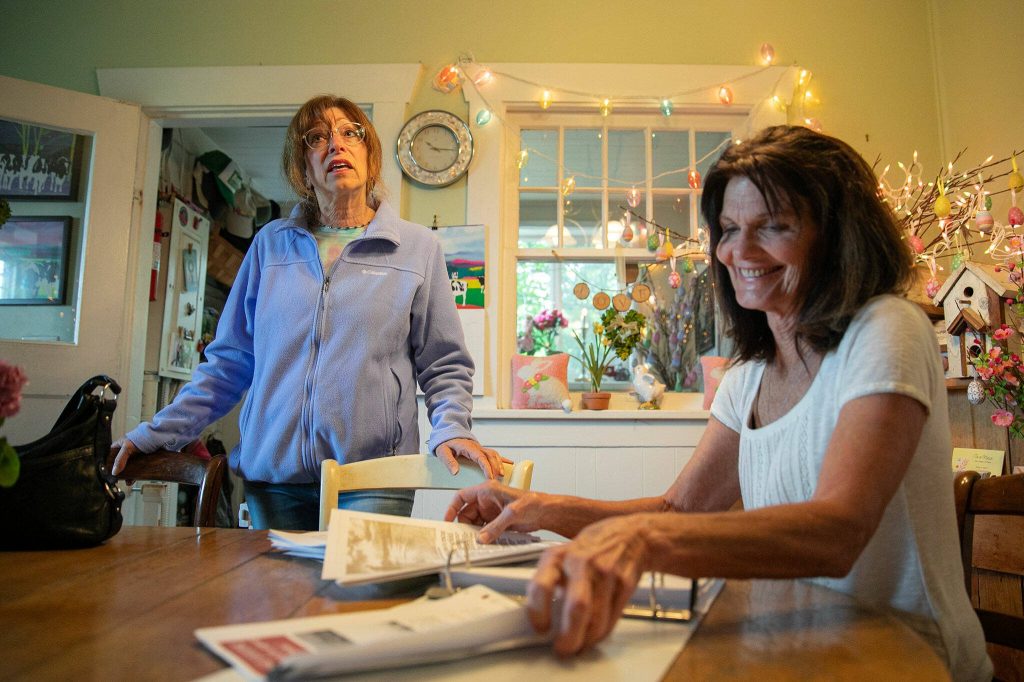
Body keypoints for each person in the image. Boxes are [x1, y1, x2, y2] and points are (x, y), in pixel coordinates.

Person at [445, 125, 991, 680]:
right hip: (802, 653)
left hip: (912, 659)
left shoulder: (886, 327)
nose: (739, 252)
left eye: (774, 226)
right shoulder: (747, 375)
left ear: (839, 235)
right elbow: (680, 512)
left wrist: (640, 541)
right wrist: (538, 507)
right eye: (729, 229)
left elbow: (837, 531)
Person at [114, 94, 507, 530]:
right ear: (302, 168)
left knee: (360, 595)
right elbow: (227, 365)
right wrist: (155, 433)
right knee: (280, 598)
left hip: (375, 477)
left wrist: (452, 428)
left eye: (349, 132)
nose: (335, 144)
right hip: (274, 478)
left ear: (370, 155)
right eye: (316, 137)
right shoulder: (269, 245)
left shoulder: (417, 248)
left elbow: (444, 362)